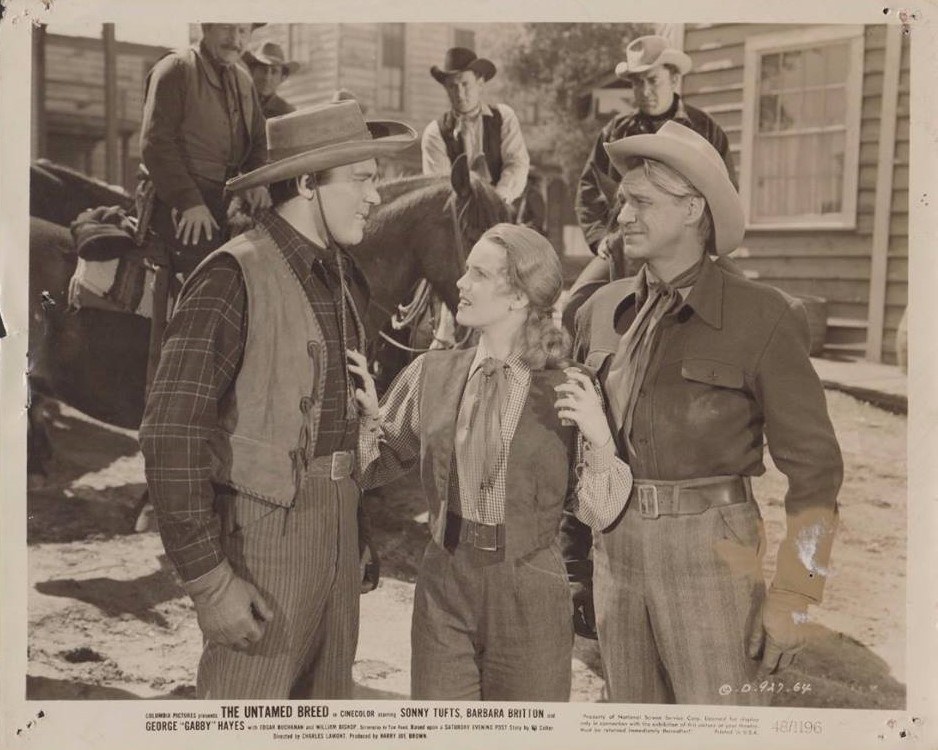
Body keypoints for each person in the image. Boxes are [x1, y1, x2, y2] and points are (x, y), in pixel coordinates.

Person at [138, 101, 418, 699]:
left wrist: (356, 533)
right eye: (364, 180)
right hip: (261, 541)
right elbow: (170, 436)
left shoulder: (343, 274)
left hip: (339, 534)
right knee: (248, 712)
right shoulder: (232, 275)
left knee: (325, 714)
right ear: (309, 182)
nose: (376, 196)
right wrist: (210, 583)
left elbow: (335, 426)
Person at [571, 121, 843, 705]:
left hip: (712, 558)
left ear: (693, 208)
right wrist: (578, 565)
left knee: (723, 726)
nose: (622, 218)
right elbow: (576, 449)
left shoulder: (763, 317)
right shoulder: (599, 311)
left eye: (641, 202)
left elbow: (816, 472)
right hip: (614, 552)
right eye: (622, 203)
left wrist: (796, 592)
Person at [346, 223, 632, 701]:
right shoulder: (428, 372)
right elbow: (375, 467)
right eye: (465, 271)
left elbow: (600, 512)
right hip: (443, 588)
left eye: (478, 273)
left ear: (519, 297)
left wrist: (600, 437)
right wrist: (369, 420)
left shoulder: (570, 386)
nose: (460, 283)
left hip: (530, 591)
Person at [575, 34, 735, 280]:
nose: (645, 90)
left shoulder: (704, 128)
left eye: (653, 80)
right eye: (637, 83)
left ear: (673, 79)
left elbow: (724, 192)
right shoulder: (616, 131)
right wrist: (600, 238)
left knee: (747, 303)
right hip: (630, 240)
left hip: (689, 244)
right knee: (577, 304)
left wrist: (708, 242)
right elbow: (590, 187)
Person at [140, 23, 271, 273]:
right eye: (226, 28)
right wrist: (189, 202)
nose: (235, 39)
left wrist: (255, 180)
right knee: (209, 274)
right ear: (206, 27)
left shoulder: (244, 79)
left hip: (224, 201)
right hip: (177, 201)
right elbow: (155, 143)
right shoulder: (176, 69)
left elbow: (258, 139)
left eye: (243, 31)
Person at [422, 47, 530, 205]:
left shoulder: (504, 117)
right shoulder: (435, 132)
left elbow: (516, 164)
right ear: (446, 88)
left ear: (480, 82)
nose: (459, 93)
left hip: (503, 206)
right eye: (452, 86)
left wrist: (498, 199)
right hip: (458, 216)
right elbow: (440, 186)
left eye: (465, 84)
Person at [242, 41, 299, 119]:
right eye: (263, 70)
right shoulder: (238, 102)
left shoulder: (287, 113)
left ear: (282, 78)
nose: (267, 78)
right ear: (252, 72)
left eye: (274, 71)